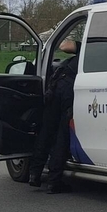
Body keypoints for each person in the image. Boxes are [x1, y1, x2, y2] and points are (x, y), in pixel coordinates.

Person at [28, 37, 79, 193]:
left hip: (56, 87)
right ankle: (53, 181)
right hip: (67, 91)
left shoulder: (87, 50)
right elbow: (65, 45)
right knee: (61, 136)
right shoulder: (95, 50)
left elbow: (64, 45)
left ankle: (34, 174)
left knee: (46, 131)